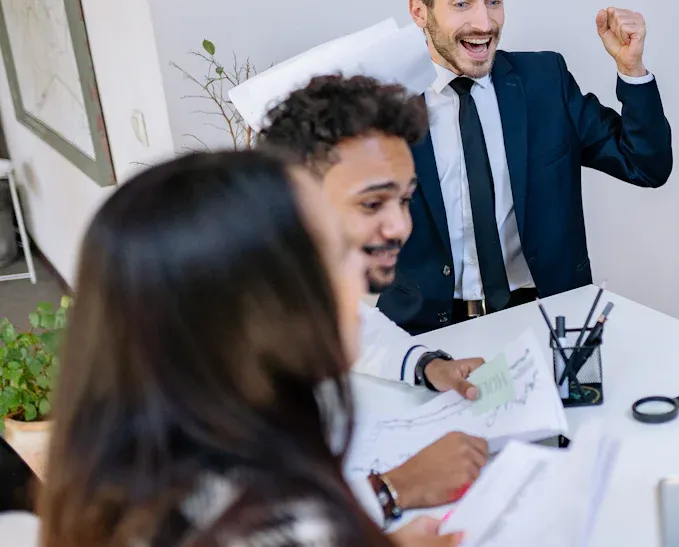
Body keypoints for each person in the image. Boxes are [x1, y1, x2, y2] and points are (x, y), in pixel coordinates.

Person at [38, 150, 460, 546]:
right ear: (254, 313)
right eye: (336, 252)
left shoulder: (137, 472)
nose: (365, 269)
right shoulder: (275, 519)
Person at [376, 0, 673, 332]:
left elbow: (646, 165)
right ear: (419, 11)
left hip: (548, 320)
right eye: (462, 4)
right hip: (427, 336)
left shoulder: (544, 80)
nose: (485, 22)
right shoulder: (381, 107)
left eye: (494, 1)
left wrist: (631, 69)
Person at [258, 73, 490, 511]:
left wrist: (427, 365)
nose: (401, 227)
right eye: (372, 203)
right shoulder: (224, 326)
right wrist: (390, 490)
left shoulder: (310, 285)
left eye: (404, 200)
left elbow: (360, 329)